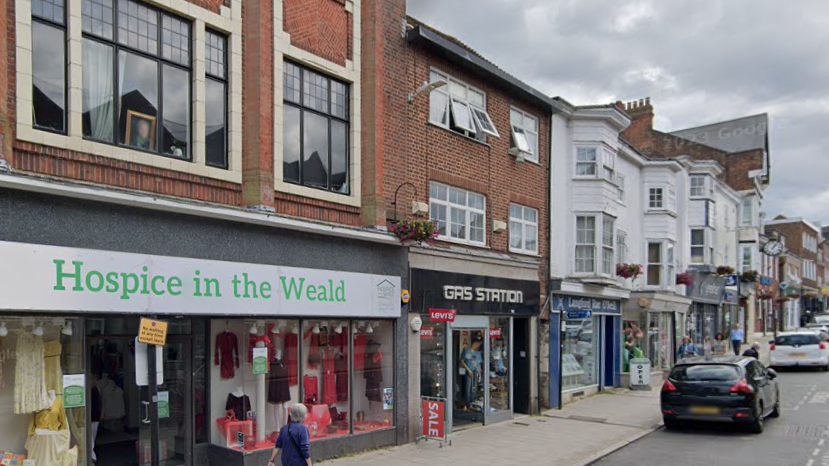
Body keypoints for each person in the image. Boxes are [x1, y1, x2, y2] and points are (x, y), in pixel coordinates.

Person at [460, 337, 483, 407]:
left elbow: (478, 364)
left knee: (474, 388)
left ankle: (473, 402)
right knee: (467, 387)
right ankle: (467, 403)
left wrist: (480, 374)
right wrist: (468, 370)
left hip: (475, 371)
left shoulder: (478, 353)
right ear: (475, 343)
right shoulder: (466, 350)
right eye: (478, 344)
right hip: (468, 371)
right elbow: (462, 361)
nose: (478, 346)